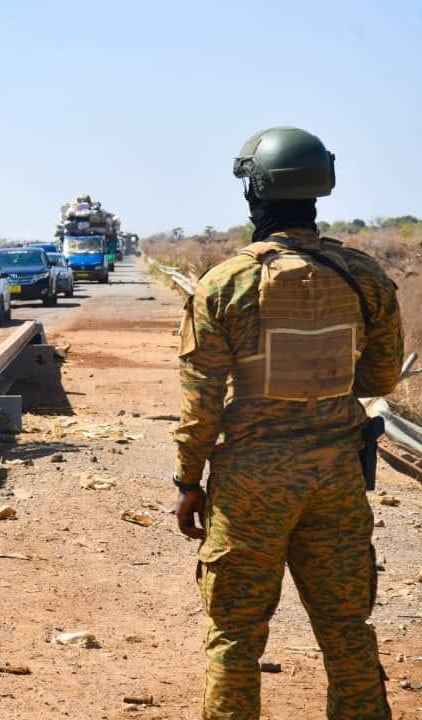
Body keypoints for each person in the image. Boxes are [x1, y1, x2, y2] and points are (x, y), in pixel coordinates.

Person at [173, 126, 404, 719]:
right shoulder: (365, 277)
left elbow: (201, 406)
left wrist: (188, 482)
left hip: (250, 490)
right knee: (347, 628)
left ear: (254, 193)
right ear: (319, 190)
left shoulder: (226, 283)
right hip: (337, 480)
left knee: (235, 639)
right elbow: (378, 382)